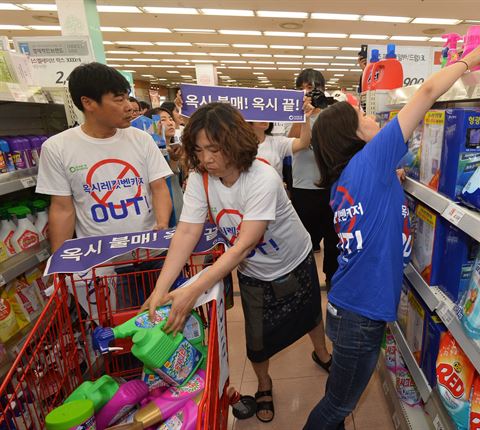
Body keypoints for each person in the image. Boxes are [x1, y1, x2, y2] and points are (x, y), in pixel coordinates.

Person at [303, 40, 480, 429]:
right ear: (353, 137)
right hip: (361, 313)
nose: (371, 118)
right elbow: (427, 92)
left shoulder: (350, 177)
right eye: (361, 117)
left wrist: (393, 177)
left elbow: (374, 202)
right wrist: (468, 60)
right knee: (337, 406)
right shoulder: (372, 159)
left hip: (345, 306)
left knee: (339, 399)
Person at [143, 102, 331, 423]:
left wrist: (193, 289)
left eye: (214, 149)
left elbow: (244, 244)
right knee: (256, 339)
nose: (206, 159)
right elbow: (187, 231)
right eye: (199, 150)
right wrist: (161, 289)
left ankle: (322, 353)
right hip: (253, 271)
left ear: (235, 144)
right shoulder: (201, 180)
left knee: (310, 311)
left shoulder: (262, 177)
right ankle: (264, 382)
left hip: (293, 257)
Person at [36, 62, 174, 308]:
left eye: (128, 98)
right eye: (119, 100)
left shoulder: (141, 140)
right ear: (88, 103)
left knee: (164, 326)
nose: (129, 107)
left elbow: (159, 187)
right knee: (120, 333)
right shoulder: (58, 148)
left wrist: (162, 225)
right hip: (103, 264)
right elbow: (62, 208)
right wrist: (61, 263)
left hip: (153, 254)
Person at [289, 69, 339, 289]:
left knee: (333, 237)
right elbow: (290, 141)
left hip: (330, 185)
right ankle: (304, 280)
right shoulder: (293, 113)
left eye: (311, 87)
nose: (307, 92)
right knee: (303, 238)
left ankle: (332, 278)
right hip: (302, 186)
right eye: (303, 88)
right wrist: (302, 116)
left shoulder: (332, 114)